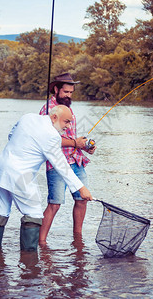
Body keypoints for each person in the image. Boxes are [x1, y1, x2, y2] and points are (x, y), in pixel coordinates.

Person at [0, 105, 93, 252]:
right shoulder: (52, 136)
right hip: (20, 176)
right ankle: (30, 265)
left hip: (0, 169)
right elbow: (61, 165)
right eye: (66, 122)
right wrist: (82, 188)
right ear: (54, 117)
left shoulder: (28, 117)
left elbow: (11, 135)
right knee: (34, 215)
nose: (68, 127)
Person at [39, 73, 96, 245]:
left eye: (71, 92)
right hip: (56, 163)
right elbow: (48, 140)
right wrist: (75, 143)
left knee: (82, 199)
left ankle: (77, 239)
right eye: (65, 92)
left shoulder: (68, 108)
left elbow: (72, 137)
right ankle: (41, 242)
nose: (69, 96)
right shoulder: (48, 109)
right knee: (54, 204)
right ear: (56, 89)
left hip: (76, 161)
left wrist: (85, 146)